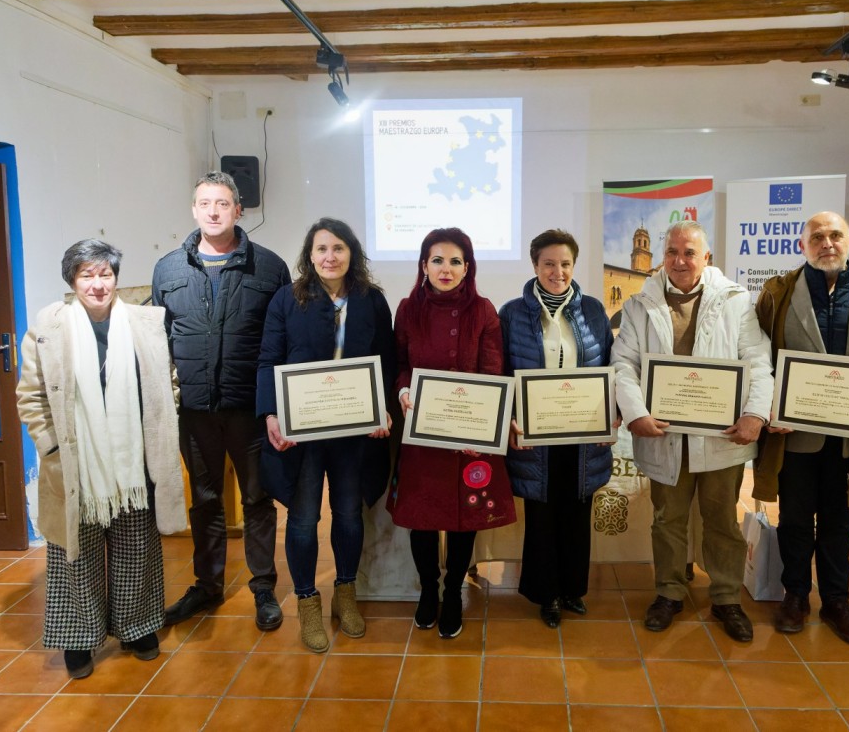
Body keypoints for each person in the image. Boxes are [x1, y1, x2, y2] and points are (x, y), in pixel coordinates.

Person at [16, 240, 187, 679]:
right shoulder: (47, 331)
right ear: (72, 281)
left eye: (105, 274)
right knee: (75, 553)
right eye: (87, 275)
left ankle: (137, 627)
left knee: (137, 548)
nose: (97, 284)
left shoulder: (145, 324)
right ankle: (80, 638)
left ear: (116, 277)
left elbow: (168, 382)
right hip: (75, 464)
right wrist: (52, 448)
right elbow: (31, 399)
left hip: (133, 459)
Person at [753, 211, 849, 646]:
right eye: (817, 237)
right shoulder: (776, 293)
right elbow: (759, 358)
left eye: (835, 235)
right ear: (802, 245)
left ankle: (838, 602)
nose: (827, 243)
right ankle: (796, 595)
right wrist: (767, 404)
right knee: (796, 518)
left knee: (841, 522)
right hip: (795, 434)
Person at [611, 220, 774, 641]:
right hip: (663, 434)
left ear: (707, 257)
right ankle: (669, 591)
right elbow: (623, 364)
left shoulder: (736, 301)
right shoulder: (639, 304)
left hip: (721, 436)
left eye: (689, 252)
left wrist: (755, 414)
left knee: (721, 519)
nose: (679, 260)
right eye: (672, 252)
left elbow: (757, 362)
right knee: (667, 519)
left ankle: (726, 597)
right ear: (662, 256)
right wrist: (635, 413)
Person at [152, 171, 291, 631]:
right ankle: (207, 585)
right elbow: (158, 342)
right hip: (193, 411)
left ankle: (264, 588)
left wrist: (278, 407)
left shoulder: (269, 268)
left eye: (223, 203)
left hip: (250, 410)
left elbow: (280, 342)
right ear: (194, 209)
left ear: (238, 210)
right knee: (205, 500)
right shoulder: (168, 269)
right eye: (205, 203)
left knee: (257, 498)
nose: (214, 211)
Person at [256, 218, 396, 652]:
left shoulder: (372, 301)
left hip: (355, 432)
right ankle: (307, 602)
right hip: (305, 432)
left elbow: (386, 361)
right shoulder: (287, 299)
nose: (330, 257)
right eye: (321, 249)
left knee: (350, 516)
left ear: (351, 253)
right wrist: (271, 413)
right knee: (302, 521)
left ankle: (346, 595)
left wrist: (383, 409)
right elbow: (268, 359)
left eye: (338, 248)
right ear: (309, 255)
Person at [388, 227, 516, 639]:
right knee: (422, 519)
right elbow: (401, 363)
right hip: (423, 432)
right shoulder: (408, 309)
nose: (446, 268)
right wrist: (405, 390)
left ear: (468, 267)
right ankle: (428, 589)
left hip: (469, 434)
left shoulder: (483, 311)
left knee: (464, 519)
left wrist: (480, 423)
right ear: (424, 265)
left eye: (456, 260)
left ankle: (452, 590)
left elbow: (493, 372)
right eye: (437, 260)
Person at [499, 229, 615, 628]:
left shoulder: (595, 311)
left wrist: (611, 414)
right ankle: (545, 594)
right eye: (549, 263)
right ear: (534, 265)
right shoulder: (512, 313)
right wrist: (509, 417)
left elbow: (610, 369)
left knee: (577, 511)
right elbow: (501, 371)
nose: (557, 271)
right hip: (536, 436)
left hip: (583, 436)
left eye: (565, 264)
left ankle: (571, 590)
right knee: (542, 513)